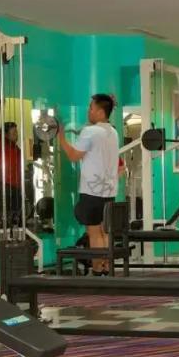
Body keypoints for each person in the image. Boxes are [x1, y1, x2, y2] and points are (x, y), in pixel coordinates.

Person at [59, 94, 120, 275]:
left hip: (92, 192)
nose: (88, 111)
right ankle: (106, 267)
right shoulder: (113, 132)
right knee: (104, 232)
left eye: (91, 108)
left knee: (94, 233)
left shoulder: (91, 132)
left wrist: (61, 138)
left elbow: (73, 156)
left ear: (100, 112)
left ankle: (97, 269)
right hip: (109, 192)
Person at [0, 121, 23, 224]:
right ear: (6, 135)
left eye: (16, 132)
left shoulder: (17, 149)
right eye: (14, 132)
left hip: (17, 187)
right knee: (6, 218)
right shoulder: (2, 146)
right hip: (6, 185)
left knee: (17, 217)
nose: (16, 135)